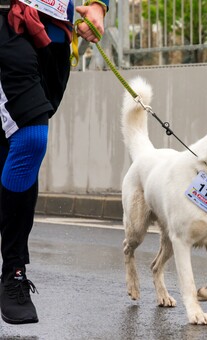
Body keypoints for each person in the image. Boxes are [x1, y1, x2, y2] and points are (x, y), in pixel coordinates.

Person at [0, 0, 108, 324]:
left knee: (12, 150)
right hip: (8, 20)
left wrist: (97, 6)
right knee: (31, 137)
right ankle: (14, 272)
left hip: (55, 33)